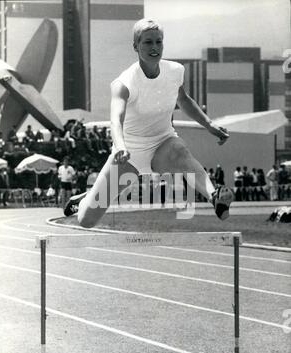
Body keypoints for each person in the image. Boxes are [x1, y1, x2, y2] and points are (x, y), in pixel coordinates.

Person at [64, 18, 233, 227]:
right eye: (148, 42)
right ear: (135, 46)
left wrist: (209, 124)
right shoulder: (124, 83)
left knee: (181, 152)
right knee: (86, 221)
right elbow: (116, 120)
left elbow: (183, 99)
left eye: (158, 42)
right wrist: (120, 147)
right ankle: (85, 200)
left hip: (164, 143)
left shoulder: (174, 72)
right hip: (129, 154)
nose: (154, 48)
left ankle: (214, 196)